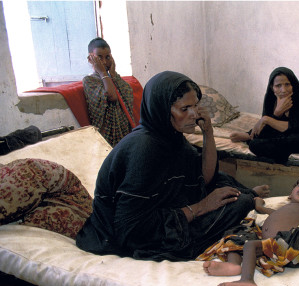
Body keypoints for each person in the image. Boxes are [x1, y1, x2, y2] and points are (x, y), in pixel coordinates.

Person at [76, 71, 270, 262]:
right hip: (127, 237)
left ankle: (248, 194)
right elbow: (130, 228)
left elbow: (204, 178)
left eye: (195, 106)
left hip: (163, 209)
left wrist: (208, 132)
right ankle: (248, 197)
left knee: (222, 180)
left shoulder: (171, 137)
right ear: (161, 109)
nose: (194, 114)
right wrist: (202, 207)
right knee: (239, 204)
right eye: (184, 108)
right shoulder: (144, 149)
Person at [200, 177, 299, 286]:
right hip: (267, 242)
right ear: (291, 192)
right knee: (237, 234)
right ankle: (234, 265)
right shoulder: (287, 208)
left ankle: (247, 281)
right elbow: (272, 213)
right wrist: (259, 206)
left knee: (250, 245)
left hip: (285, 242)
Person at [230, 67, 299, 163]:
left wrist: (267, 119)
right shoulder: (270, 99)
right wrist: (276, 114)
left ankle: (271, 152)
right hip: (279, 136)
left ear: (293, 85)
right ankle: (255, 139)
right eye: (278, 85)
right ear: (272, 87)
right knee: (254, 145)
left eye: (287, 84)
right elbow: (268, 129)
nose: (284, 90)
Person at [83, 37, 138, 147]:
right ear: (90, 59)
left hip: (125, 133)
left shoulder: (114, 78)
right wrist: (103, 72)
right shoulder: (90, 81)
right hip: (107, 136)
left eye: (107, 57)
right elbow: (112, 96)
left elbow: (127, 94)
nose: (104, 62)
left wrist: (112, 75)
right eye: (99, 57)